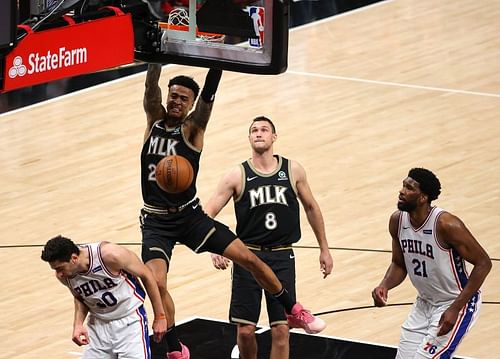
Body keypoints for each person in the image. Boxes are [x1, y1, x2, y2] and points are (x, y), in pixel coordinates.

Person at [141, 64, 326, 359]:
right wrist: (154, 63)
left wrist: (218, 58)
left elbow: (208, 99)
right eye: (173, 96)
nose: (176, 101)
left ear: (190, 105)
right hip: (155, 220)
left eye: (183, 99)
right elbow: (150, 92)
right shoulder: (154, 121)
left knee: (248, 258)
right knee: (156, 281)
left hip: (189, 216)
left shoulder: (192, 129)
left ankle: (293, 308)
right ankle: (176, 347)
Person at [206, 116, 334, 359]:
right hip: (248, 256)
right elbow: (207, 213)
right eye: (254, 130)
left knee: (282, 329)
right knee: (245, 331)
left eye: (264, 129)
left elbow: (311, 207)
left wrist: (324, 248)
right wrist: (216, 247)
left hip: (282, 256)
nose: (259, 133)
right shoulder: (237, 175)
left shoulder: (292, 169)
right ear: (249, 138)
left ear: (274, 137)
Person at [371, 168, 492, 359]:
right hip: (424, 303)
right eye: (403, 185)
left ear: (423, 198)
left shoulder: (446, 225)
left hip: (455, 302)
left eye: (409, 188)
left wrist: (455, 308)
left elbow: (484, 264)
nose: (401, 191)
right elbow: (399, 263)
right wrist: (384, 285)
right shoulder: (397, 220)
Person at [41, 235, 167, 359]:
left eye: (59, 268)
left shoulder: (110, 255)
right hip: (98, 326)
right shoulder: (65, 276)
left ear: (74, 258)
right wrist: (78, 325)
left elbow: (146, 275)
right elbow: (80, 298)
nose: (59, 274)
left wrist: (160, 316)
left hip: (129, 321)